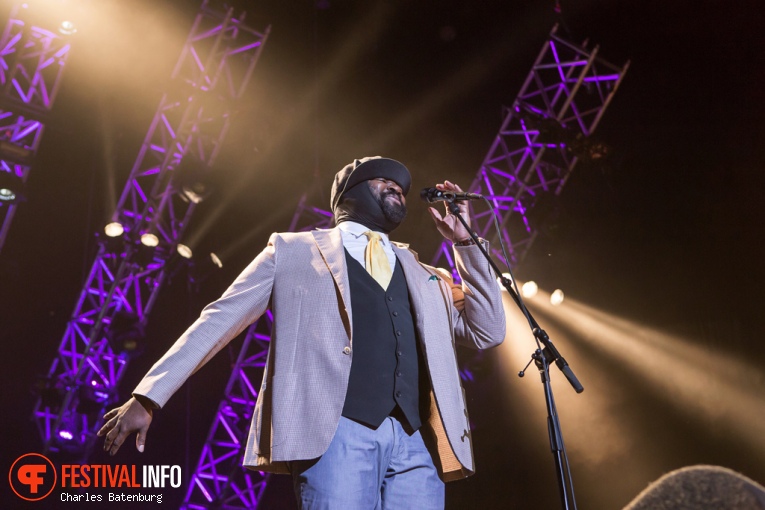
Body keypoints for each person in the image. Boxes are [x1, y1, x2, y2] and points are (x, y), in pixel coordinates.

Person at [98, 156, 506, 509]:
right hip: (337, 431)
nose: (396, 187)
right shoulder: (293, 250)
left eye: (400, 185)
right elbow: (219, 319)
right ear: (348, 193)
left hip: (419, 444)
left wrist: (466, 243)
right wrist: (148, 395)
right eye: (383, 180)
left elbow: (487, 330)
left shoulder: (425, 274)